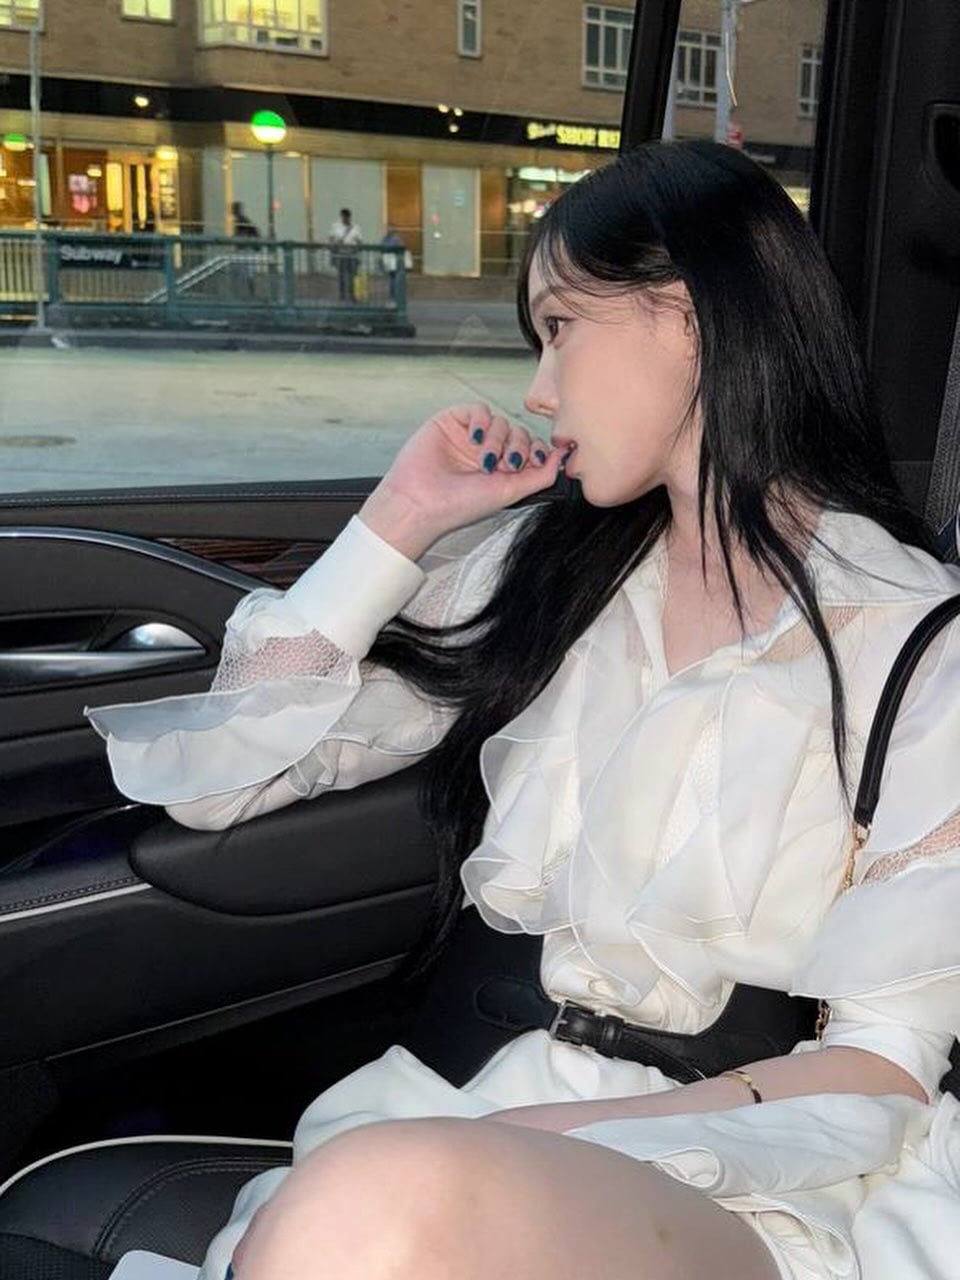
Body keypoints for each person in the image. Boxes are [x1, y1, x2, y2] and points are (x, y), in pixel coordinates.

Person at [89, 140, 960, 1280]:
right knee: (366, 1206)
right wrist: (402, 517)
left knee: (375, 1206)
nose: (538, 391)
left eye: (559, 328)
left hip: (744, 1168)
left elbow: (888, 1063)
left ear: (688, 316)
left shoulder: (917, 640)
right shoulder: (546, 577)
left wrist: (564, 1136)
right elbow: (219, 785)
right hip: (460, 1115)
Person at [329, 206, 364, 302]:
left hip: (352, 254)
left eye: (347, 217)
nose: (346, 218)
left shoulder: (356, 227)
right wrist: (335, 246)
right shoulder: (335, 226)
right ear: (341, 216)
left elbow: (360, 241)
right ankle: (342, 295)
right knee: (342, 275)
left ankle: (352, 295)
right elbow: (331, 239)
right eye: (344, 216)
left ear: (350, 216)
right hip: (341, 254)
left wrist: (357, 248)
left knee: (353, 276)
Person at [230, 201, 260, 298]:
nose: (231, 211)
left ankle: (248, 293)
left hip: (246, 250)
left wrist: (237, 243)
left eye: (233, 209)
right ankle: (249, 293)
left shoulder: (241, 221)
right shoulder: (243, 220)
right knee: (245, 273)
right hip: (246, 249)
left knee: (243, 272)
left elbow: (242, 234)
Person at [379, 224, 410, 302]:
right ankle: (396, 294)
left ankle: (393, 294)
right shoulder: (396, 239)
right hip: (394, 261)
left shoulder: (386, 239)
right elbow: (402, 247)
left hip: (389, 260)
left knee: (392, 278)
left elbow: (382, 248)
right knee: (395, 278)